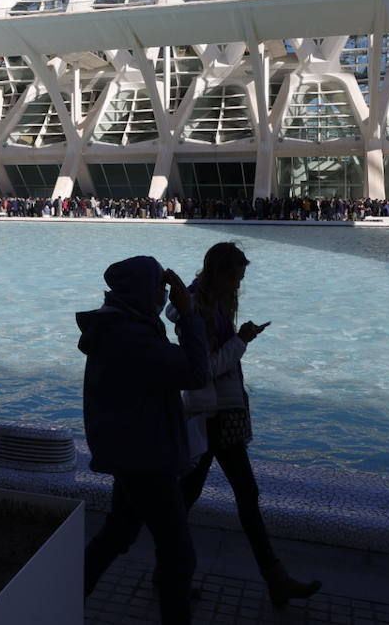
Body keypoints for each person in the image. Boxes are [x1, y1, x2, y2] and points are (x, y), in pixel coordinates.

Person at [175, 242, 321, 607]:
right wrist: (241, 340)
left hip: (220, 411)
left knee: (195, 495)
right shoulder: (197, 309)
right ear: (220, 273)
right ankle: (274, 579)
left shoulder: (211, 303)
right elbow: (204, 368)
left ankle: (169, 575)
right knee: (238, 493)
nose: (239, 285)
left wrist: (241, 338)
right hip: (214, 414)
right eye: (236, 277)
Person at [79, 256, 208, 625]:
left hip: (132, 449)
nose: (164, 293)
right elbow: (195, 373)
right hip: (146, 457)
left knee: (117, 533)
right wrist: (189, 315)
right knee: (179, 556)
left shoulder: (124, 324)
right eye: (159, 287)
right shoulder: (131, 335)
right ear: (141, 290)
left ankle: (63, 595)